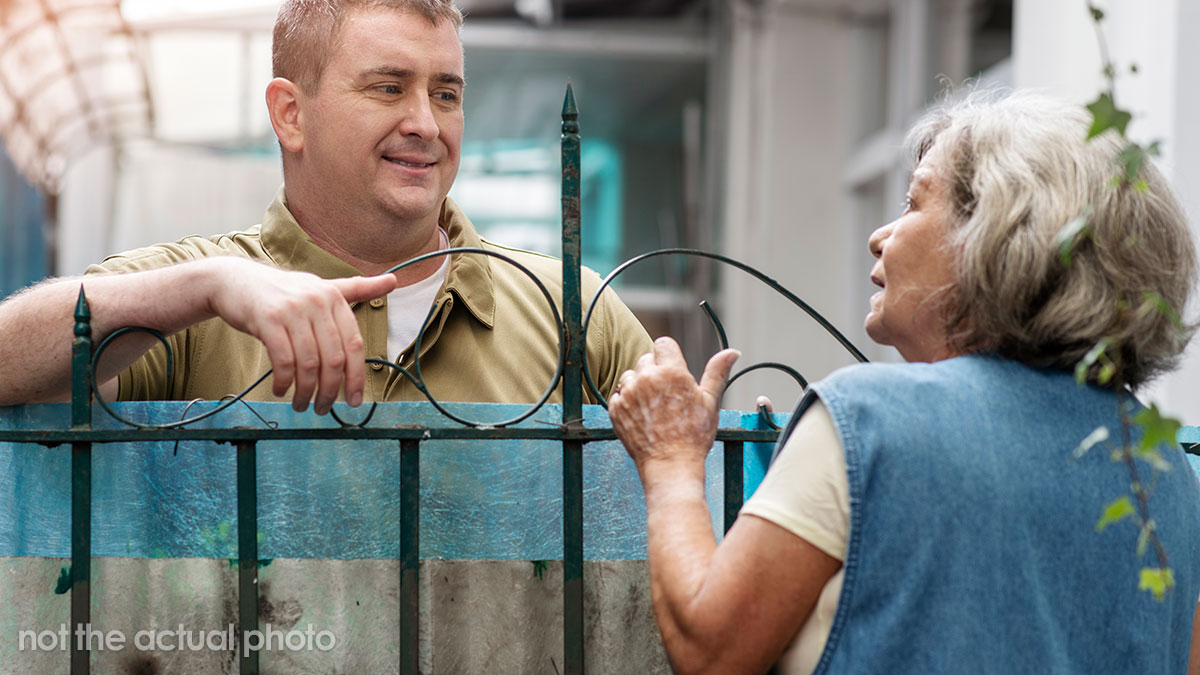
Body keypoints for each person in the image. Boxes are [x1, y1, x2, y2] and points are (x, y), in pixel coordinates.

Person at [608, 91, 1200, 674]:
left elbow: (711, 652)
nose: (880, 236)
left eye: (914, 203)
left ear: (997, 235)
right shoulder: (1166, 472)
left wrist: (670, 460)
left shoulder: (869, 420)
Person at [0, 0, 650, 411]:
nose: (426, 124)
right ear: (290, 114)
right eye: (389, 88)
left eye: (445, 94)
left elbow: (678, 500)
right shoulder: (198, 305)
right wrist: (209, 287)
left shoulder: (575, 311)